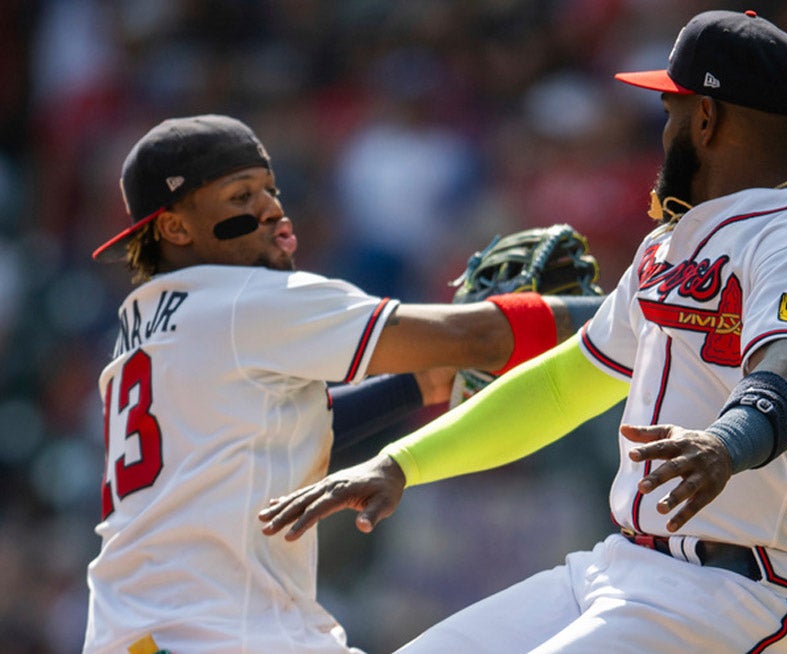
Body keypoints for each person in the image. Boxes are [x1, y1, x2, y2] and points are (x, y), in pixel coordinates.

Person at [260, 10, 787, 653]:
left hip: (744, 594)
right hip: (622, 568)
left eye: (668, 111)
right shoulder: (671, 244)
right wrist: (401, 463)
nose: (660, 132)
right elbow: (563, 385)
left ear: (707, 118)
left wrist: (726, 442)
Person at [83, 113, 600, 653]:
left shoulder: (139, 326)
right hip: (220, 636)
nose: (270, 208)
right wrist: (636, 312)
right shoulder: (242, 299)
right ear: (175, 228)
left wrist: (423, 384)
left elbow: (279, 429)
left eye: (269, 189)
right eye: (240, 197)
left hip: (135, 632)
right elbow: (478, 338)